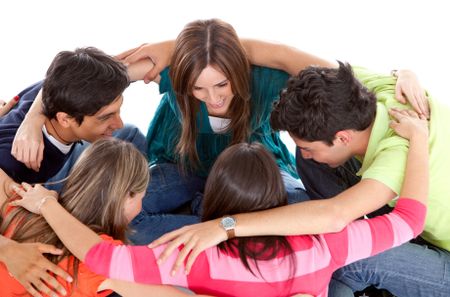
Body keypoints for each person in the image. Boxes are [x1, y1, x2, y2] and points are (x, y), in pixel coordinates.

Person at [12, 108, 428, 297]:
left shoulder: (193, 257)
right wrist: (419, 139)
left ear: (209, 202)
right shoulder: (329, 243)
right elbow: (410, 220)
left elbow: (101, 258)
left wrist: (49, 205)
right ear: (280, 198)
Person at [114, 18, 427, 244]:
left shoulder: (264, 79)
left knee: (304, 223)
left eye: (222, 84)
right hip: (186, 164)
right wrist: (173, 48)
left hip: (257, 169)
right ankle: (213, 224)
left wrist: (401, 73)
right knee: (118, 215)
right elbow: (110, 75)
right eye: (199, 89)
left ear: (238, 70)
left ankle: (222, 226)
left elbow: (341, 85)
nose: (214, 98)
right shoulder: (174, 75)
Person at [153, 63, 449, 296]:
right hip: (419, 214)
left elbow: (336, 217)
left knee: (347, 257)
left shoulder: (399, 152)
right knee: (312, 163)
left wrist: (226, 226)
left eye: (311, 147)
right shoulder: (365, 87)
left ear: (343, 137)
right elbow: (278, 54)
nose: (304, 155)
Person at [0, 47, 147, 296]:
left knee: (128, 134)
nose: (117, 122)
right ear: (65, 118)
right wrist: (6, 248)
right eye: (106, 117)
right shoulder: (16, 163)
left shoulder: (62, 86)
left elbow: (149, 62)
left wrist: (33, 119)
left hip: (45, 173)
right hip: (32, 194)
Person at [1, 138, 210, 297]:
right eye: (141, 197)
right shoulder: (104, 259)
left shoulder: (25, 206)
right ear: (126, 197)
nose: (141, 206)